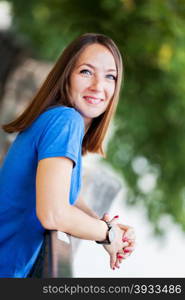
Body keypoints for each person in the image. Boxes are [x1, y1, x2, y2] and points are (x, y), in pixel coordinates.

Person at [0, 33, 135, 278]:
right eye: (86, 72)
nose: (98, 86)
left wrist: (107, 227)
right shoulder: (66, 120)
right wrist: (108, 234)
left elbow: (67, 197)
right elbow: (53, 213)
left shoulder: (54, 118)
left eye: (110, 76)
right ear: (67, 76)